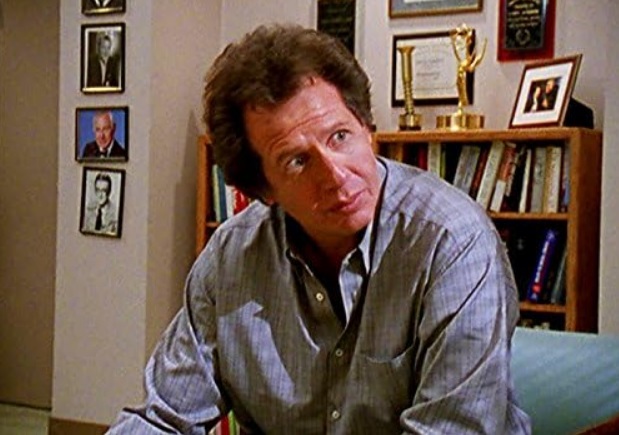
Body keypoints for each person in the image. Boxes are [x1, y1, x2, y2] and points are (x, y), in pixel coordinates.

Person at [107, 23, 531, 434]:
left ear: (368, 130)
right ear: (263, 189)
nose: (335, 176)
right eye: (297, 160)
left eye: (340, 137)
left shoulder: (453, 242)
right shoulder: (231, 258)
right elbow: (164, 417)